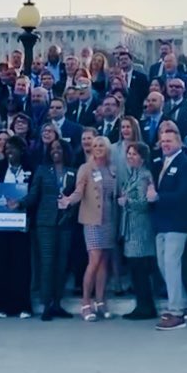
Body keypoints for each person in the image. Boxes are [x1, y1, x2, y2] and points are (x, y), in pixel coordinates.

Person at [147, 129, 187, 331]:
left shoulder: (186, 164)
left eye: (169, 141)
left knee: (171, 263)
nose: (165, 144)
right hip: (161, 222)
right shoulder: (159, 164)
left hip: (178, 222)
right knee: (163, 264)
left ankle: (176, 312)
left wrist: (158, 196)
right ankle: (184, 304)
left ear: (179, 142)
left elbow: (185, 194)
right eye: (163, 141)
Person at [66, 135, 118, 321]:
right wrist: (69, 201)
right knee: (94, 260)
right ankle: (86, 303)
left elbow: (115, 193)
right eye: (95, 145)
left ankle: (100, 301)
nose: (97, 148)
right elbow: (79, 191)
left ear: (107, 148)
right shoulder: (86, 168)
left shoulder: (112, 168)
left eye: (101, 145)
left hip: (109, 219)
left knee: (104, 262)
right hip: (92, 220)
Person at [23, 139, 77, 321]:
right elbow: (33, 195)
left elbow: (77, 196)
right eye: (52, 148)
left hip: (65, 223)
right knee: (47, 263)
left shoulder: (73, 171)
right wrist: (19, 203)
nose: (56, 151)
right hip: (45, 223)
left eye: (59, 148)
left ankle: (57, 303)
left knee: (61, 265)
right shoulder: (42, 170)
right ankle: (46, 304)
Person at [0, 135, 34, 318]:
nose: (9, 152)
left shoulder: (30, 169)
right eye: (6, 150)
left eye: (12, 149)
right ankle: (0, 307)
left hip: (21, 226)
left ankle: (23, 306)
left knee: (20, 266)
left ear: (21, 150)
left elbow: (35, 195)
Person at [116, 141, 158, 320]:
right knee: (135, 269)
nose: (130, 157)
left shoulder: (144, 176)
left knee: (140, 269)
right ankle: (142, 305)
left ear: (142, 157)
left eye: (134, 154)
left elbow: (144, 203)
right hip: (130, 228)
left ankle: (146, 307)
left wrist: (127, 202)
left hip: (140, 229)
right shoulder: (133, 174)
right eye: (128, 154)